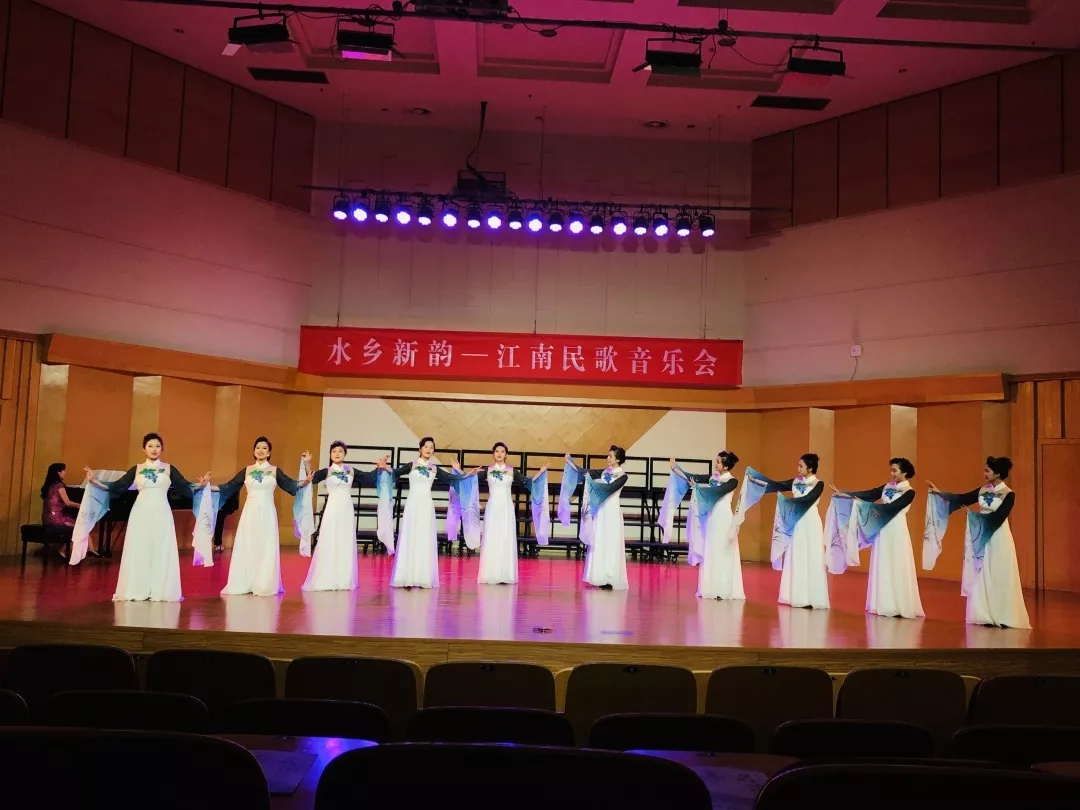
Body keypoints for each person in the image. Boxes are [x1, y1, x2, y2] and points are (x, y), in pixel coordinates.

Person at [82, 433, 209, 602]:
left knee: (160, 548)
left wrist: (201, 485)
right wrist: (95, 481)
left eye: (157, 446)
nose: (154, 449)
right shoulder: (137, 469)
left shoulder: (169, 469)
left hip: (162, 512)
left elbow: (185, 487)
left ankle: (160, 590)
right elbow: (118, 487)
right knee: (140, 548)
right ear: (144, 449)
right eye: (150, 446)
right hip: (140, 513)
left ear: (162, 449)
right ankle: (138, 588)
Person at [926, 456, 1030, 629]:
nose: (984, 474)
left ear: (998, 473)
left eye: (987, 471)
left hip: (998, 537)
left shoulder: (1008, 494)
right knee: (980, 571)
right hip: (981, 534)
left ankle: (1002, 614)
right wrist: (940, 493)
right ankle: (983, 614)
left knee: (998, 573)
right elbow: (962, 498)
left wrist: (975, 518)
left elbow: (999, 517)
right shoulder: (983, 490)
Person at [212, 437, 308, 597]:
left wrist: (303, 480)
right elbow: (230, 486)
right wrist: (209, 487)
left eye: (264, 448)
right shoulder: (247, 470)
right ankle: (245, 582)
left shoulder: (275, 471)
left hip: (267, 512)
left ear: (269, 452)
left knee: (265, 545)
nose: (260, 450)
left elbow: (290, 484)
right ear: (254, 451)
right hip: (250, 513)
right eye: (258, 448)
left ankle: (264, 584)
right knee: (248, 544)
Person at [830, 458, 924, 619]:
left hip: (897, 530)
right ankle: (883, 603)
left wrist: (864, 506)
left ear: (905, 472)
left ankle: (899, 605)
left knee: (897, 564)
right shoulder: (887, 487)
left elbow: (892, 508)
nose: (891, 473)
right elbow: (869, 494)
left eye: (895, 470)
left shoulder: (909, 492)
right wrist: (845, 494)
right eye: (891, 470)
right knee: (883, 562)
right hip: (883, 529)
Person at [454, 442, 549, 585]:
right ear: (493, 454)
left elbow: (527, 482)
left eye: (502, 451)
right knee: (491, 537)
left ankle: (505, 574)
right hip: (492, 508)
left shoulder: (512, 471)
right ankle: (490, 574)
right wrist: (458, 470)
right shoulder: (487, 470)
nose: (499, 454)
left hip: (506, 509)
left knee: (505, 537)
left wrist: (540, 472)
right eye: (497, 451)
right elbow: (469, 480)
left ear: (506, 454)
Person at [301, 440, 388, 592]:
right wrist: (308, 462)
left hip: (346, 510)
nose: (337, 454)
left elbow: (368, 478)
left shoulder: (351, 470)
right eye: (334, 451)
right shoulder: (327, 471)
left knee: (345, 541)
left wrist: (379, 468)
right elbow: (312, 477)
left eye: (340, 451)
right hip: (332, 509)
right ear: (330, 454)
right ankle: (327, 577)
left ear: (345, 454)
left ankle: (343, 579)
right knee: (330, 539)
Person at [749, 453, 830, 610]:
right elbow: (776, 485)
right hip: (797, 523)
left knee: (812, 557)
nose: (798, 469)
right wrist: (756, 481)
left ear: (810, 468)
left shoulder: (819, 484)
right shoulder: (795, 482)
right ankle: (797, 596)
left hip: (811, 524)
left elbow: (808, 499)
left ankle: (813, 597)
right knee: (797, 555)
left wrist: (787, 502)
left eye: (801, 466)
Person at [385, 437, 458, 589]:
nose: (428, 449)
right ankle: (406, 575)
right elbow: (396, 472)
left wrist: (465, 473)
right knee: (410, 536)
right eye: (426, 446)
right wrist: (385, 467)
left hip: (426, 506)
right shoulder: (412, 465)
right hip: (413, 505)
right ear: (420, 449)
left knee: (424, 538)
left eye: (431, 447)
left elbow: (451, 478)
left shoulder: (434, 469)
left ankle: (422, 576)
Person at [670, 450, 743, 600]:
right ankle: (710, 588)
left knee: (723, 553)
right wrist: (676, 469)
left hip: (724, 520)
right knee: (711, 550)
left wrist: (698, 488)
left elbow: (718, 491)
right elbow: (694, 477)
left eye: (718, 462)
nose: (716, 464)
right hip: (712, 518)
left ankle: (722, 589)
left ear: (726, 466)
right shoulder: (713, 477)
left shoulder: (732, 481)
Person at [564, 445, 629, 591]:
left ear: (618, 459)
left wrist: (593, 484)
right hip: (602, 511)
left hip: (612, 512)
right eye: (608, 455)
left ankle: (611, 577)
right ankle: (600, 576)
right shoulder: (605, 472)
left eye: (610, 456)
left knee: (611, 543)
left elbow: (608, 489)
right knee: (600, 541)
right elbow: (587, 472)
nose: (608, 458)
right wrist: (570, 463)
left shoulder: (623, 476)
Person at [40, 462, 82, 559]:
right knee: (79, 529)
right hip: (55, 519)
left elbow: (55, 502)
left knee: (76, 525)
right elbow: (68, 503)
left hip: (46, 518)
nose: (65, 473)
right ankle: (63, 550)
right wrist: (80, 505)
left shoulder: (49, 485)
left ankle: (89, 551)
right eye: (63, 470)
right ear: (58, 472)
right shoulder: (59, 485)